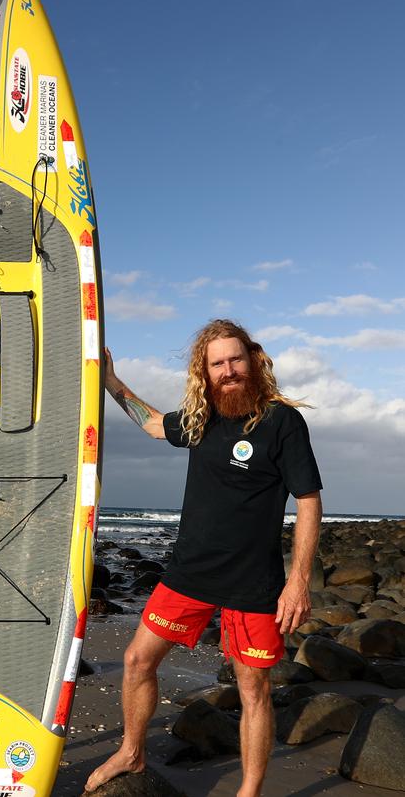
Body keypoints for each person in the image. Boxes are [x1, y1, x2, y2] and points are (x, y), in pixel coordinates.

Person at [85, 319, 323, 797]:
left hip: (253, 584)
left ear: (253, 360)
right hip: (189, 573)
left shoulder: (282, 421)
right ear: (205, 371)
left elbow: (309, 500)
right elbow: (153, 423)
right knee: (136, 661)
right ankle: (132, 751)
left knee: (254, 690)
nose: (229, 370)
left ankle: (249, 791)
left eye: (236, 359)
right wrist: (111, 381)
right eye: (218, 363)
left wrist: (298, 581)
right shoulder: (201, 418)